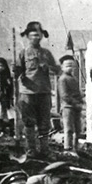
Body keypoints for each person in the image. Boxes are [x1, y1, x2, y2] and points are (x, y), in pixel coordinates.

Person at [14, 21, 59, 157]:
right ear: (28, 37)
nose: (36, 38)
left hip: (44, 92)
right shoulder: (23, 53)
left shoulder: (46, 53)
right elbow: (18, 72)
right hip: (28, 93)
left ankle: (44, 149)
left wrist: (48, 68)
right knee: (29, 123)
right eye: (33, 35)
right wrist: (16, 72)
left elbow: (57, 69)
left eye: (38, 35)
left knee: (44, 122)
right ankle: (31, 150)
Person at [56, 55, 84, 154]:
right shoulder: (62, 79)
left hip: (76, 107)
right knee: (68, 129)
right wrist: (76, 103)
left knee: (78, 129)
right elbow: (64, 96)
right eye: (67, 66)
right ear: (62, 67)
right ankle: (67, 148)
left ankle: (75, 147)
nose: (70, 68)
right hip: (67, 107)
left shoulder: (74, 79)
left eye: (72, 66)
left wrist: (81, 101)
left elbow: (78, 93)